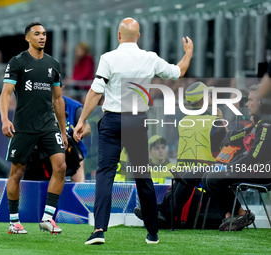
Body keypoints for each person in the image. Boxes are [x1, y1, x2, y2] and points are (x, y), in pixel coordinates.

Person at [74, 17, 193, 245]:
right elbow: (178, 72)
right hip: (137, 123)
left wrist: (82, 120)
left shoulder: (108, 58)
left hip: (111, 122)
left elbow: (95, 91)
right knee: (142, 175)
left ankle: (99, 229)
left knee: (105, 174)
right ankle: (152, 232)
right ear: (139, 37)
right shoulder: (150, 58)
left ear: (119, 36)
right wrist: (188, 52)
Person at [0, 22, 68, 235]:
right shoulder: (17, 62)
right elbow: (6, 94)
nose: (42, 37)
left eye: (44, 34)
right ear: (27, 38)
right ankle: (13, 221)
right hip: (24, 126)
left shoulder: (53, 64)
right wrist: (4, 119)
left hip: (48, 125)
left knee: (61, 166)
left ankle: (47, 218)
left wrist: (64, 132)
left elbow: (58, 100)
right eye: (37, 34)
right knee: (17, 172)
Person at [134, 82, 227, 226]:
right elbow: (225, 149)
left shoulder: (184, 121)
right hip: (205, 180)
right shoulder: (215, 122)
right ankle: (162, 213)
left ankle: (160, 212)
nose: (211, 97)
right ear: (203, 99)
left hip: (188, 178)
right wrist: (221, 120)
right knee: (183, 182)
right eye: (208, 95)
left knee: (181, 183)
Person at [201, 84, 271, 231]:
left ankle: (242, 214)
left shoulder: (266, 124)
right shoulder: (257, 123)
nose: (246, 104)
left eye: (250, 100)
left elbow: (255, 156)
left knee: (213, 178)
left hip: (262, 172)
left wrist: (231, 167)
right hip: (251, 168)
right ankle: (230, 217)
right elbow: (232, 137)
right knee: (207, 177)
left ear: (261, 102)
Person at [63, 95, 91, 182]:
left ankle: (78, 191)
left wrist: (79, 134)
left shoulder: (75, 106)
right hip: (50, 147)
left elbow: (87, 127)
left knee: (78, 159)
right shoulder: (42, 105)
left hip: (71, 146)